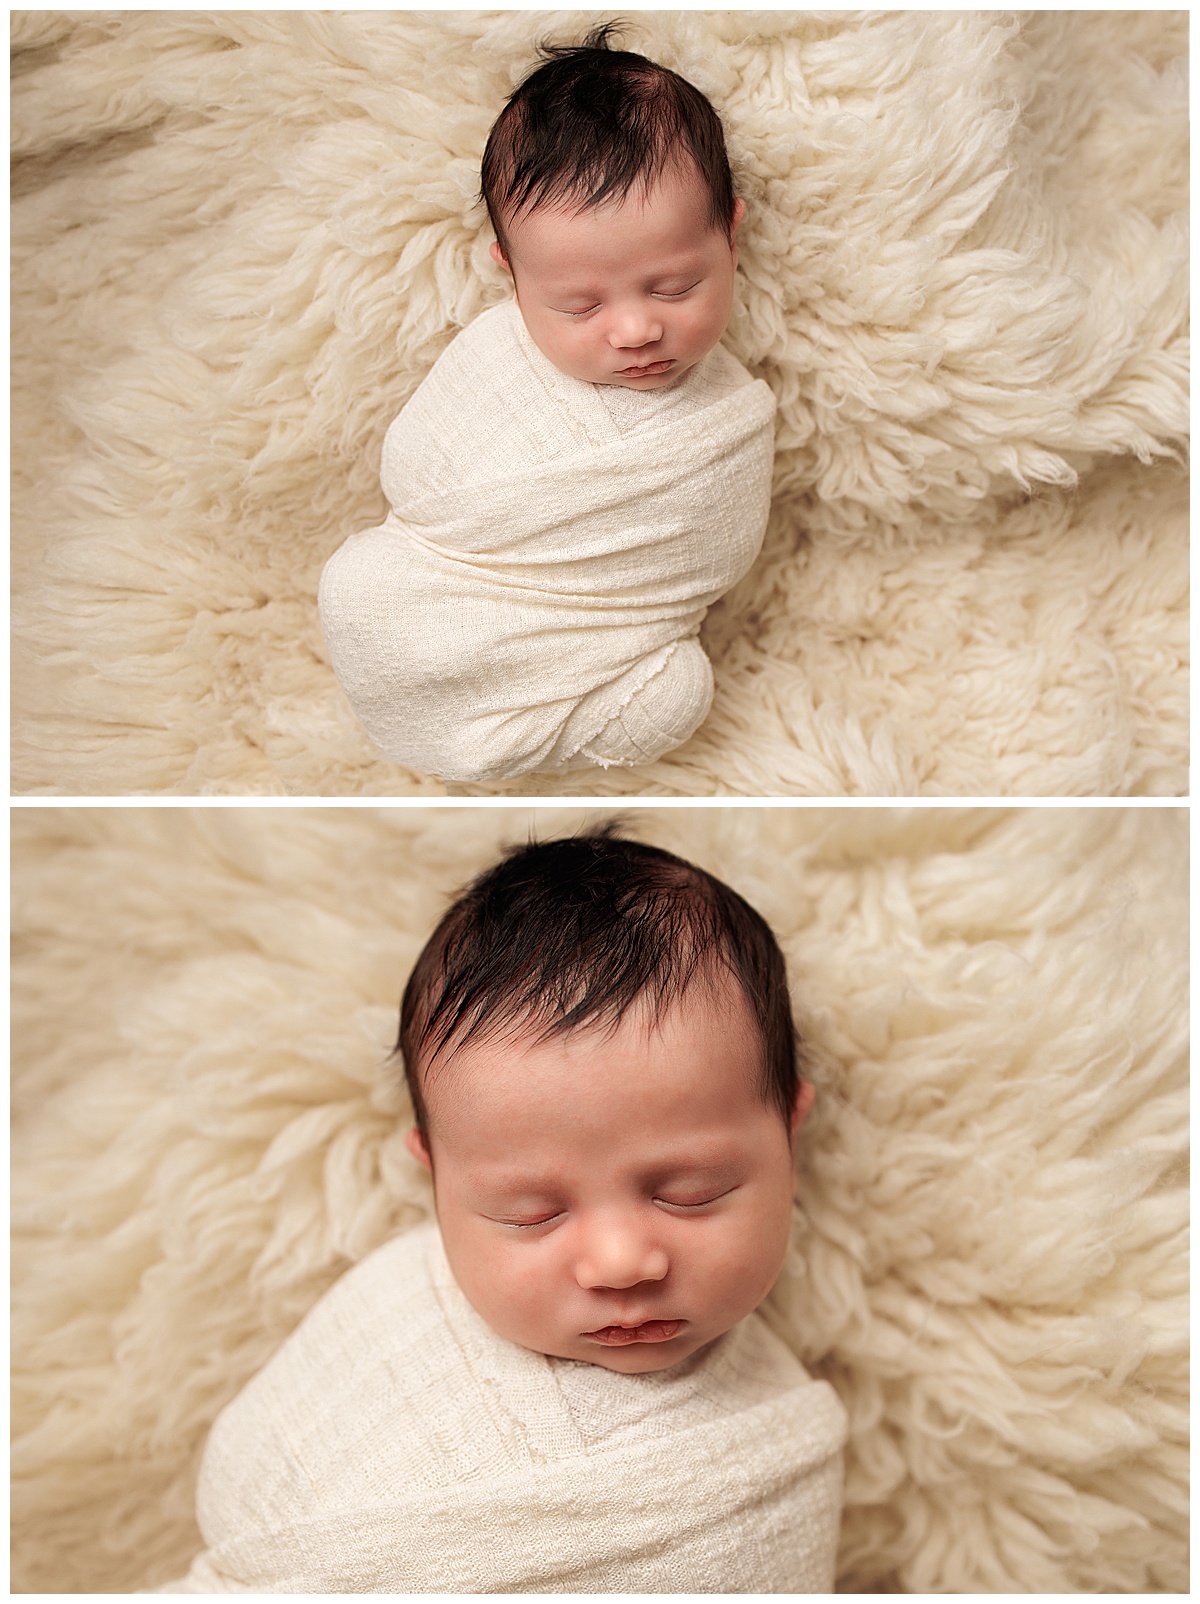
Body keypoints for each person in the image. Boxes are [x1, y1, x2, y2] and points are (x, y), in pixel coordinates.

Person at [155, 827, 847, 1592]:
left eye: (690, 1193)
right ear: (436, 1180)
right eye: (528, 1215)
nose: (620, 1261)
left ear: (789, 1131)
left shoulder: (772, 1423)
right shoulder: (390, 1329)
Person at [319, 26, 777, 782]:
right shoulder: (496, 360)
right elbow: (413, 474)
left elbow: (707, 552)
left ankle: (512, 733)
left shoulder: (727, 416)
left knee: (678, 692)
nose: (636, 329)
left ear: (730, 232)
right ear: (513, 276)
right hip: (434, 594)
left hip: (618, 639)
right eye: (577, 305)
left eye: (673, 287)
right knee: (360, 586)